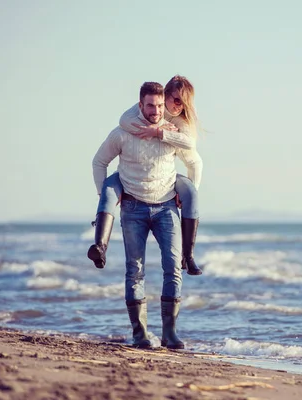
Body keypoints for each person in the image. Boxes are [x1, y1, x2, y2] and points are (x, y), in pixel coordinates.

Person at [92, 81, 196, 349]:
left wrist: (186, 196)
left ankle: (169, 335)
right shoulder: (124, 133)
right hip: (133, 208)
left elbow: (194, 160)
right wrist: (106, 195)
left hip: (166, 208)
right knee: (134, 270)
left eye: (160, 105)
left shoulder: (171, 132)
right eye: (150, 105)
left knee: (173, 268)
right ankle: (140, 335)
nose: (156, 111)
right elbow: (99, 161)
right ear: (140, 105)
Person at [88, 75, 203, 276]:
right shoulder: (136, 114)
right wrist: (151, 129)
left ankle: (188, 256)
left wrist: (159, 133)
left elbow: (192, 151)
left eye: (183, 103)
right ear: (164, 95)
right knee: (107, 189)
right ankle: (99, 247)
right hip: (129, 178)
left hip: (164, 183)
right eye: (176, 100)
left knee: (191, 193)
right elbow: (123, 121)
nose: (179, 106)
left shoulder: (178, 122)